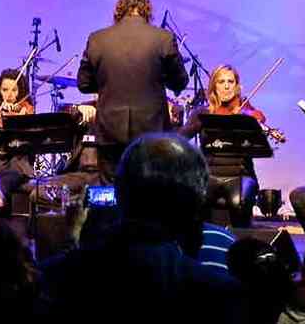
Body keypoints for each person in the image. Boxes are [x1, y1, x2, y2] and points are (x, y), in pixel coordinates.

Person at [36, 133, 249, 323]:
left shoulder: (50, 280)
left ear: (119, 193)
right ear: (195, 203)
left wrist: (72, 239)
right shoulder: (221, 296)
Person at [76, 0, 189, 182]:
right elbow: (180, 81)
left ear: (119, 10)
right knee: (151, 192)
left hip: (109, 130)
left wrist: (108, 83)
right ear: (147, 11)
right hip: (152, 131)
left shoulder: (97, 39)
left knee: (113, 193)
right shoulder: (163, 38)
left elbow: (84, 84)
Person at [179, 64, 266, 227]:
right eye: (221, 82)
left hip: (241, 175)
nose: (226, 86)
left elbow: (257, 147)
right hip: (210, 174)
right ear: (214, 86)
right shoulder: (202, 113)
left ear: (237, 86)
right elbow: (181, 137)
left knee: (239, 200)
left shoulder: (246, 113)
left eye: (230, 82)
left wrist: (251, 126)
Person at [0, 68, 35, 200]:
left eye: (14, 90)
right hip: (0, 157)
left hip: (19, 157)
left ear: (20, 91)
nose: (9, 95)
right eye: (5, 90)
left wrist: (20, 118)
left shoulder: (26, 108)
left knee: (19, 166)